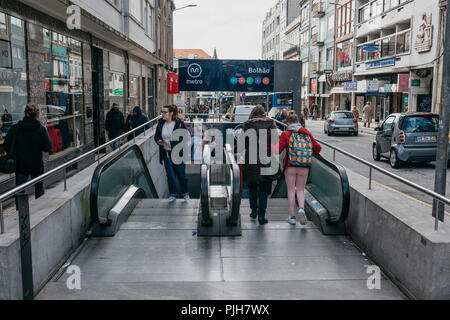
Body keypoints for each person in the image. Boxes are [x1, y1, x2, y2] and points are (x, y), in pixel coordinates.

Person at [277, 113, 321, 225]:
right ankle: (301, 209)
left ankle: (292, 216)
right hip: (304, 166)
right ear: (298, 121)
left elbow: (277, 150)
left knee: (291, 190)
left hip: (290, 165)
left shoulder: (286, 133)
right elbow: (317, 148)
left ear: (287, 122)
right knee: (300, 189)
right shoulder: (306, 133)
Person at [3, 104, 51, 199]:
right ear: (37, 115)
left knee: (20, 191)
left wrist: (16, 151)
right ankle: (40, 211)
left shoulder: (16, 128)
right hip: (36, 164)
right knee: (39, 188)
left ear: (25, 113)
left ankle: (20, 212)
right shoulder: (41, 129)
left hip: (20, 164)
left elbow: (6, 146)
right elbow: (48, 147)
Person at [243, 105, 277, 225]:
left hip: (251, 161)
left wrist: (233, 150)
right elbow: (275, 143)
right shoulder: (271, 125)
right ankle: (262, 217)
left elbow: (243, 144)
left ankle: (253, 212)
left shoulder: (247, 126)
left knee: (253, 188)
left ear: (252, 113)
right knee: (263, 189)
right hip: (265, 160)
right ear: (264, 113)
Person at [155, 105, 189, 203]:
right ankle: (172, 194)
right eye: (162, 112)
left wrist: (172, 143)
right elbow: (156, 136)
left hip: (178, 153)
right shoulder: (161, 124)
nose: (162, 114)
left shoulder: (179, 123)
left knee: (181, 174)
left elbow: (184, 137)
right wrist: (159, 141)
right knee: (170, 175)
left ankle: (185, 193)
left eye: (165, 112)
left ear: (171, 113)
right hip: (166, 153)